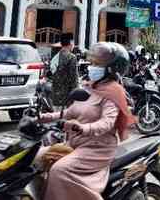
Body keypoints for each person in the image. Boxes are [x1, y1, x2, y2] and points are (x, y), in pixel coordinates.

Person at [40, 42, 135, 200]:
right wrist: (42, 117)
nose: (91, 67)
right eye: (92, 63)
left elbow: (107, 123)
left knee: (59, 170)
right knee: (36, 158)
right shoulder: (90, 87)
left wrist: (82, 128)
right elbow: (70, 112)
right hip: (74, 143)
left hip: (97, 148)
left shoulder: (113, 93)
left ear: (111, 69)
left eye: (97, 64)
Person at [50, 34, 79, 108]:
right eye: (73, 43)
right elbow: (74, 79)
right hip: (67, 98)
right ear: (70, 43)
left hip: (55, 97)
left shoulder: (55, 56)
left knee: (56, 117)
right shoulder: (71, 57)